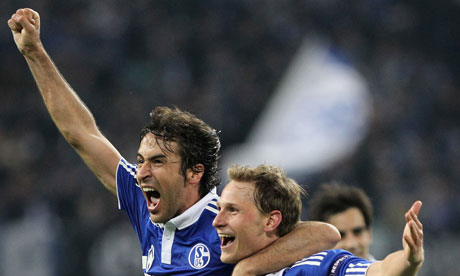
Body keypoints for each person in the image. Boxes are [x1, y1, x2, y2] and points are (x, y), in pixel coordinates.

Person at [7, 8, 340, 276]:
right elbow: (81, 134)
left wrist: (248, 270)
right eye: (140, 161)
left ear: (194, 173)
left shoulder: (224, 222)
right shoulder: (144, 204)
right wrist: (35, 53)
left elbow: (323, 234)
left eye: (157, 162)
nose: (141, 172)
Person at [213, 164, 424, 276]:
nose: (216, 221)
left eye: (232, 210)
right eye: (219, 208)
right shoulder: (211, 258)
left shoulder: (313, 268)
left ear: (270, 221)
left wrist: (409, 259)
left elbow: (380, 271)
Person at [307, 182, 376, 260]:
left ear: (369, 233)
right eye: (340, 236)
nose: (351, 244)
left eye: (358, 232)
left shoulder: (391, 272)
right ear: (320, 244)